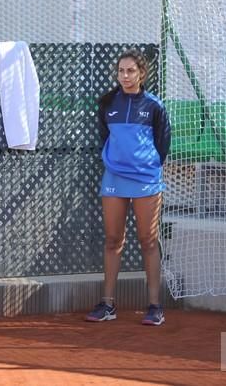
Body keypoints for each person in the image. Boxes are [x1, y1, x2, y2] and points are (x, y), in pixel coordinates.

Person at [85, 48, 171, 326]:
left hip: (146, 180)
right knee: (113, 240)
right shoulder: (108, 102)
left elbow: (163, 144)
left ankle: (155, 306)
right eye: (121, 71)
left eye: (130, 70)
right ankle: (108, 304)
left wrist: (147, 165)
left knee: (148, 240)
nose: (125, 75)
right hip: (114, 179)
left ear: (142, 73)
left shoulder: (155, 106)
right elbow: (103, 136)